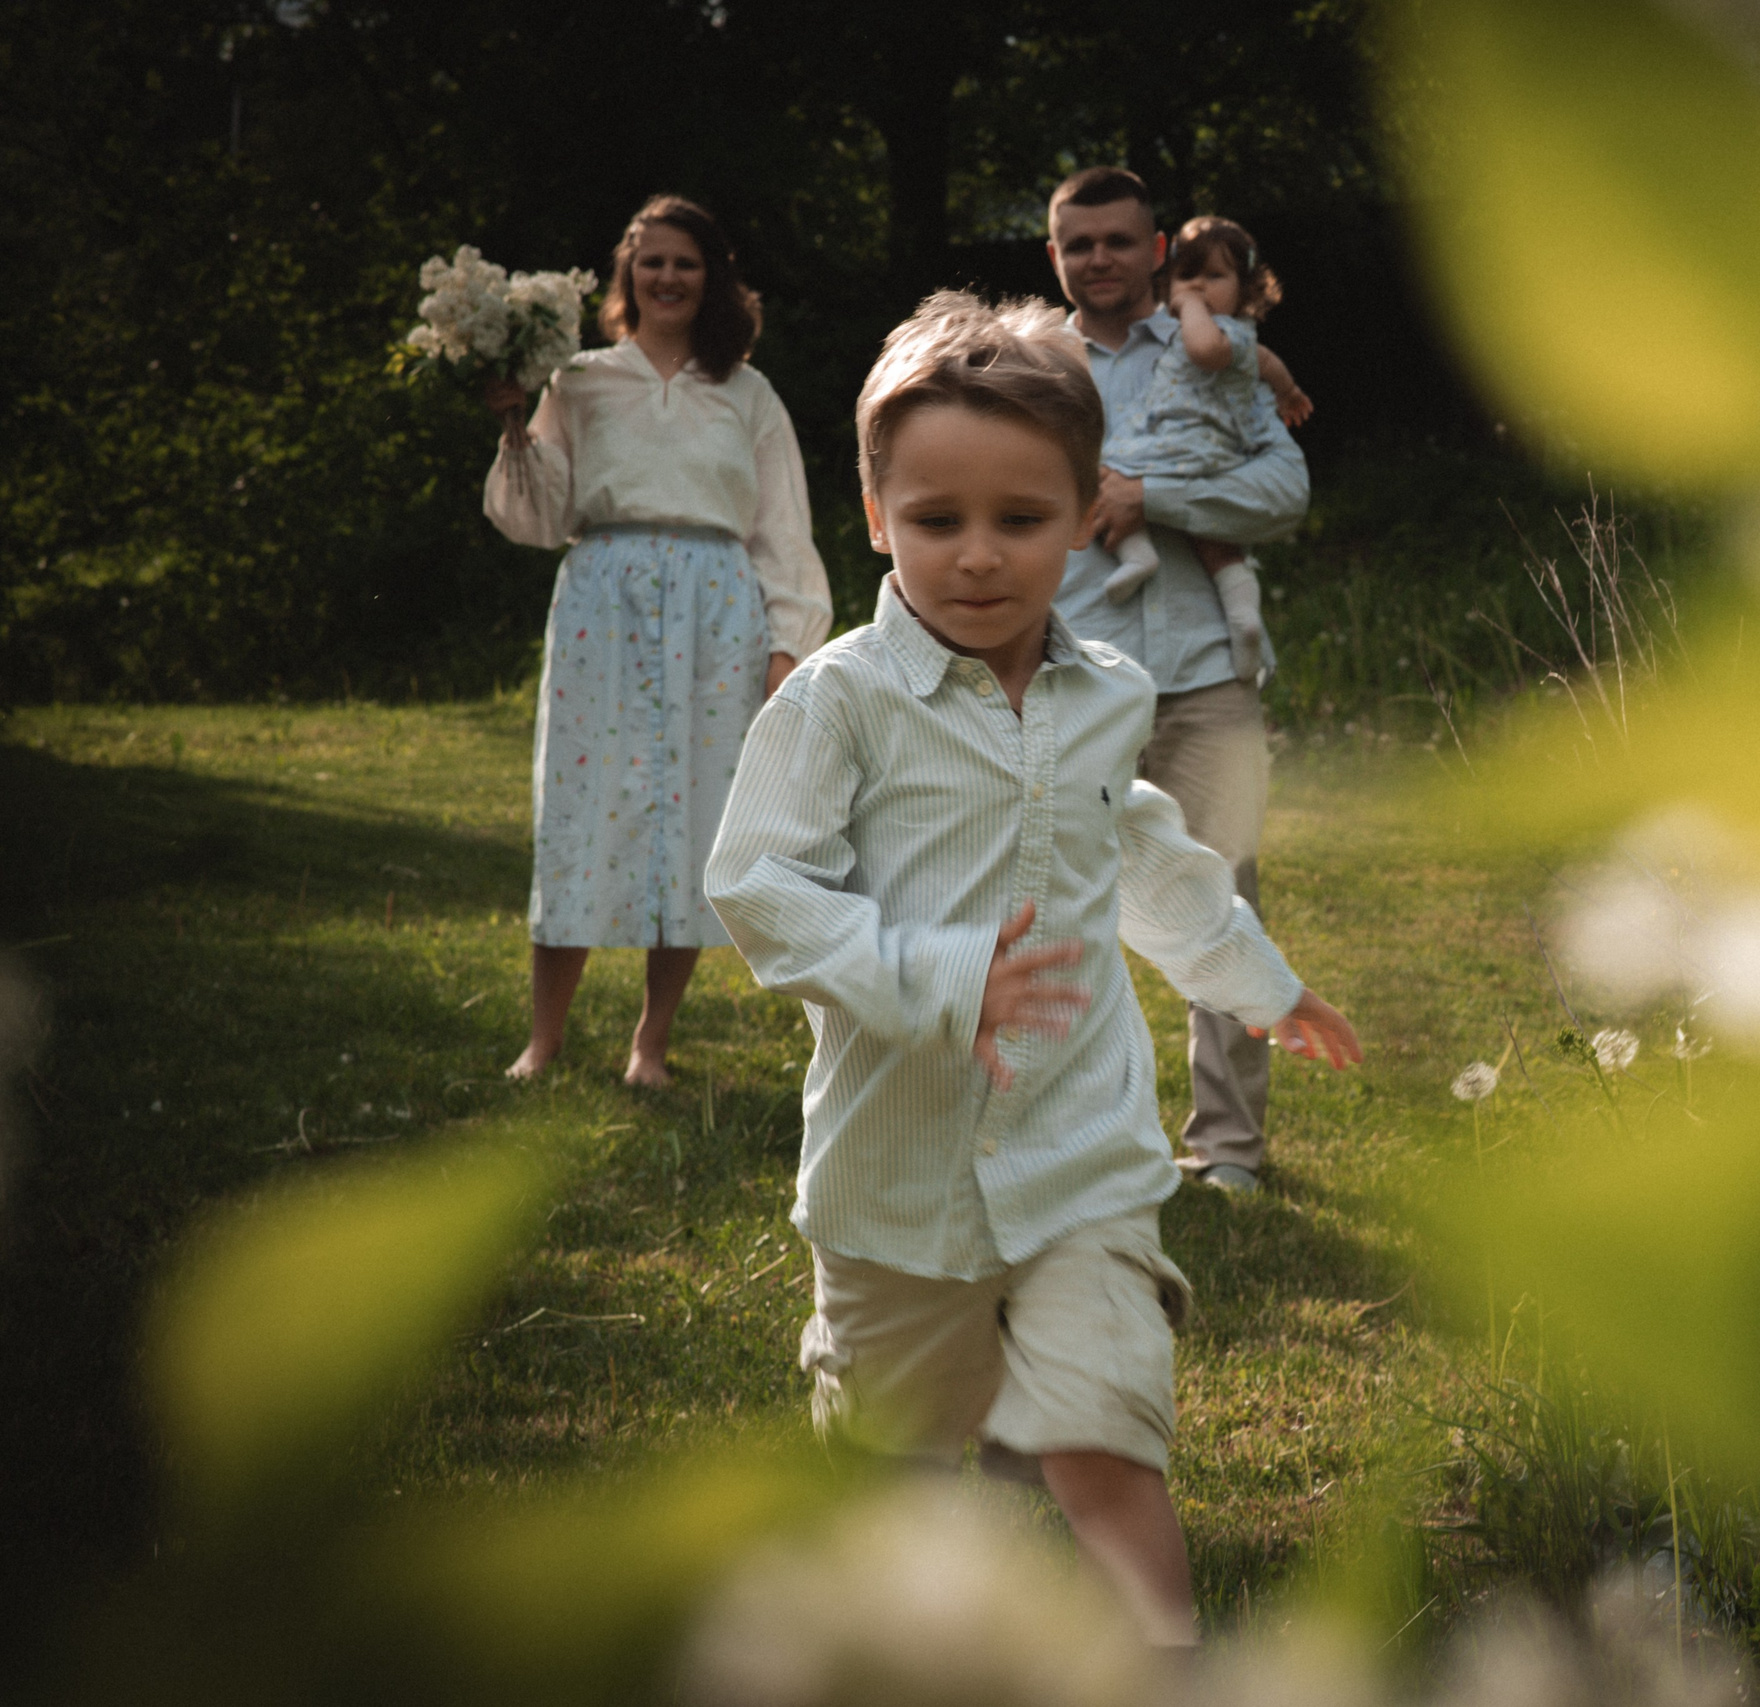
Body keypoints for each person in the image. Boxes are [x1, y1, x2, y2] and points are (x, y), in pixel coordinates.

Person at [703, 291, 1361, 1645]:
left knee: (1104, 1444)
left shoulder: (1110, 689)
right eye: (939, 519)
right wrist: (944, 972)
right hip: (895, 1178)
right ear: (878, 515)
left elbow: (1151, 854)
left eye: (1024, 518)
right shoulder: (838, 698)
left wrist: (1259, 980)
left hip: (1082, 1157)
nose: (982, 556)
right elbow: (756, 886)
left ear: (1085, 514)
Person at [483, 194, 832, 1086]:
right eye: (651, 262)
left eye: (685, 262)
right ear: (626, 275)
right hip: (605, 597)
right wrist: (512, 422)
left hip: (718, 609)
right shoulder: (582, 379)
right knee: (579, 809)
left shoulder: (747, 392)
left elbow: (782, 528)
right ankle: (545, 1037)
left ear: (711, 276)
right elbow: (540, 515)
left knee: (691, 819)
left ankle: (651, 1045)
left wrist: (785, 648)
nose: (667, 277)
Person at [1046, 167, 1310, 1194]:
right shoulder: (1028, 364)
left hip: (1205, 673)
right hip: (1070, 668)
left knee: (1222, 901)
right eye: (1079, 244)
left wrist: (1152, 495)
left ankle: (1230, 1149)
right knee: (1057, 906)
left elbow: (1282, 491)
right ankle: (1077, 1138)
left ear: (1158, 250)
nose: (1099, 259)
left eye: (1118, 241)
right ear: (1054, 256)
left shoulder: (1221, 353)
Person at [1096, 214, 1316, 692]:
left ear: (1246, 289)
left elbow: (1202, 350)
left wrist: (1189, 305)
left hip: (1177, 444)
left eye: (1214, 277)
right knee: (1216, 539)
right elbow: (1268, 363)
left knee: (1108, 477)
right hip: (1210, 456)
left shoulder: (1219, 331)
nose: (1198, 286)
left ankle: (1137, 556)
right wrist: (1289, 391)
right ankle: (1243, 617)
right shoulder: (1246, 343)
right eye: (1188, 276)